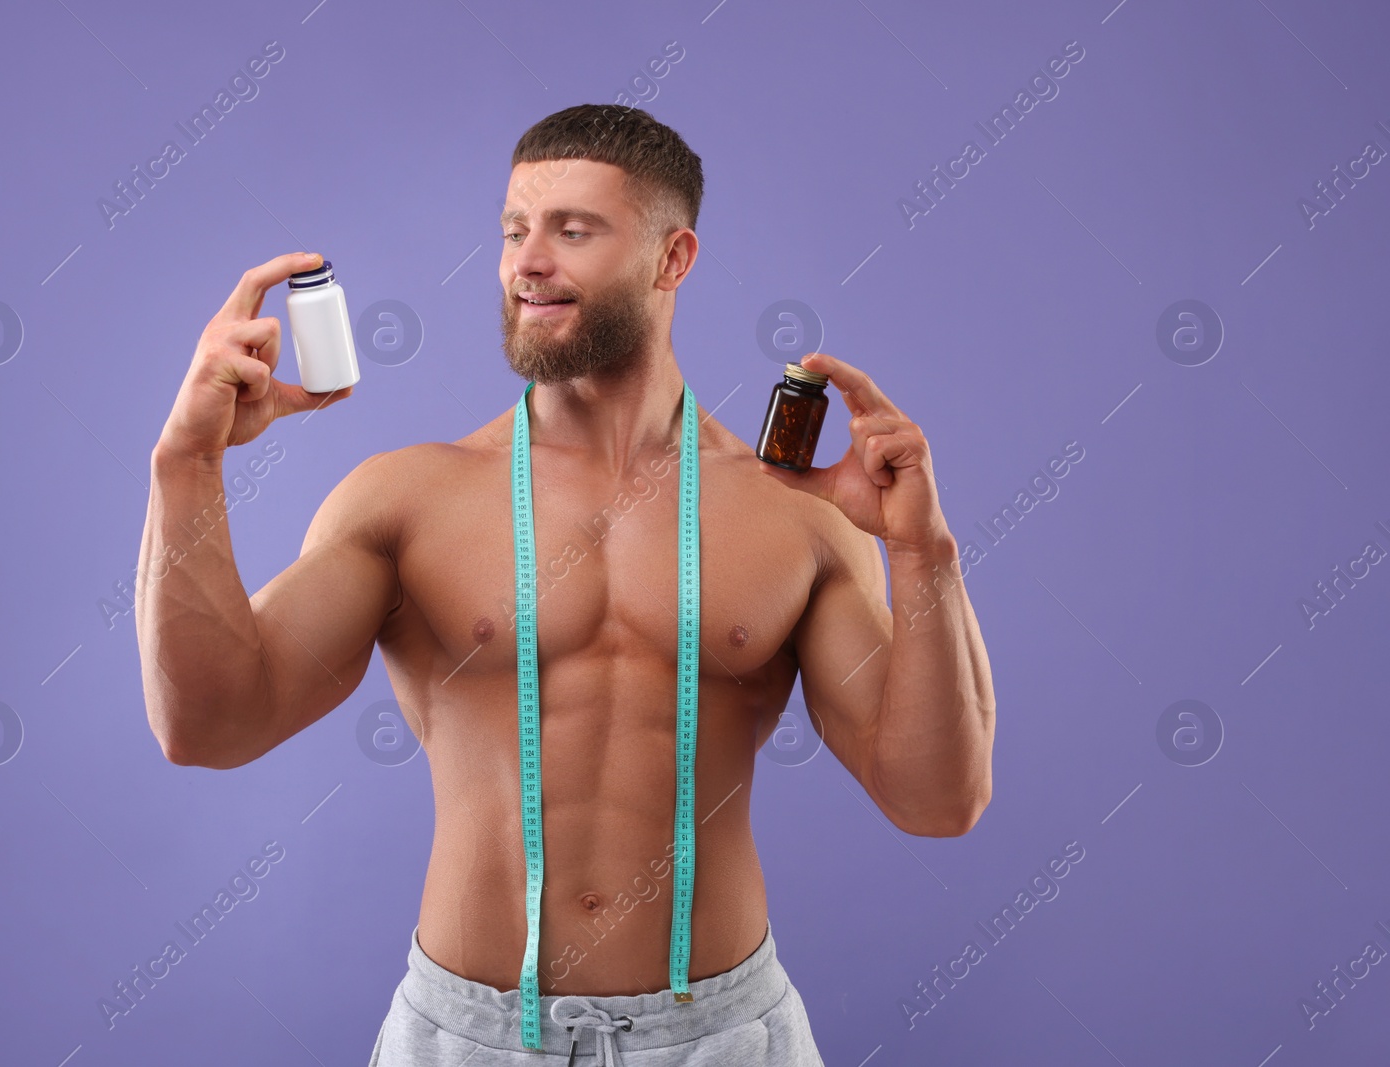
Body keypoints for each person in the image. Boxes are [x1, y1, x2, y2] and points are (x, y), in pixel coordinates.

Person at [135, 103, 995, 1065]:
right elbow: (206, 725)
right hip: (468, 1039)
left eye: (571, 231)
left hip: (719, 1037)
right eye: (513, 230)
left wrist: (926, 554)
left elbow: (937, 800)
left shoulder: (792, 509)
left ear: (674, 259)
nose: (524, 263)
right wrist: (186, 461)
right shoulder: (407, 499)